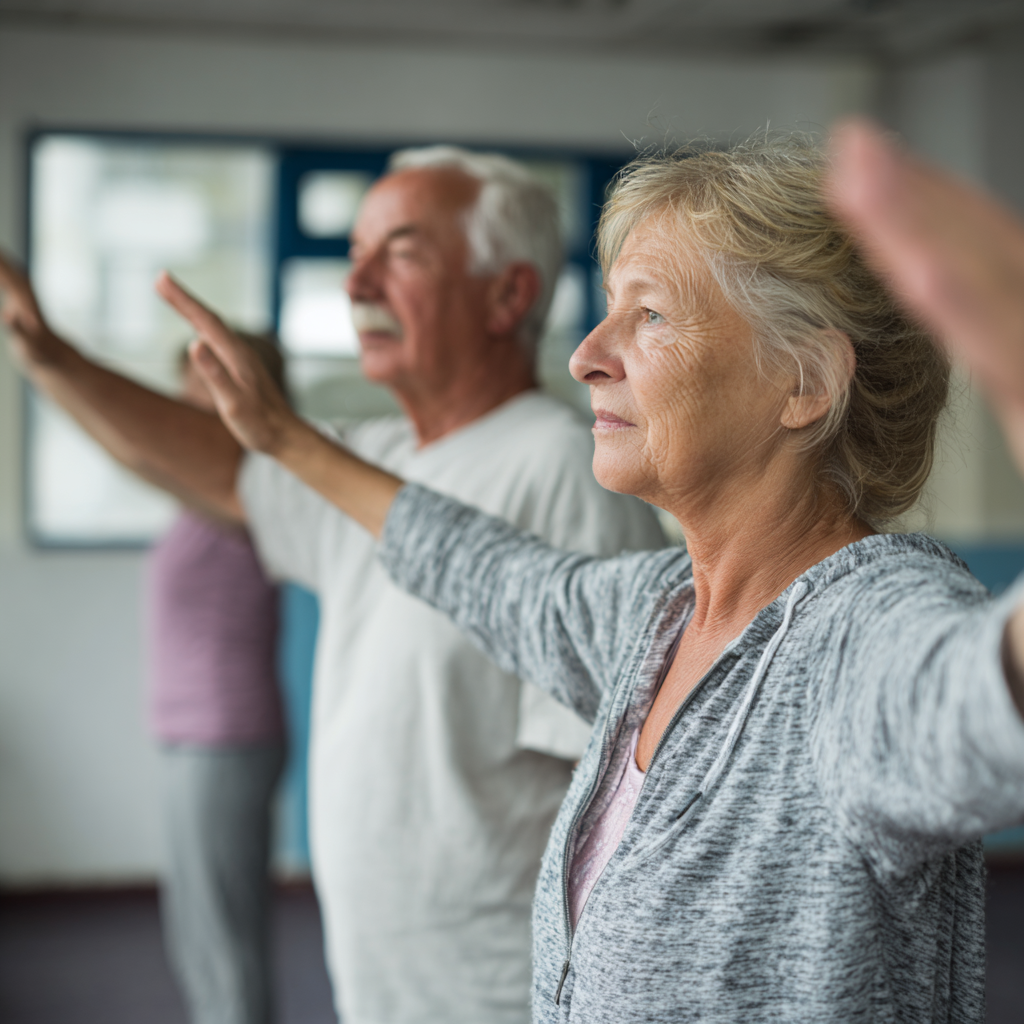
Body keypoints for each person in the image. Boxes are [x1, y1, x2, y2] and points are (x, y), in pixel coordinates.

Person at [156, 121, 1024, 1024]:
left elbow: (984, 693)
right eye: (610, 308)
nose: (585, 358)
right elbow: (483, 568)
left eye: (650, 315)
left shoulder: (857, 635)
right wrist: (285, 439)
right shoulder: (661, 615)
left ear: (803, 381)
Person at [0, 147, 666, 1024]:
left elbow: (621, 789)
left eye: (402, 252)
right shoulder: (379, 456)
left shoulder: (558, 465)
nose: (357, 283)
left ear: (509, 296)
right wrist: (49, 358)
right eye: (355, 254)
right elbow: (218, 466)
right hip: (383, 984)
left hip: (492, 991)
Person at [151, 337, 287, 1024]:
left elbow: (143, 452)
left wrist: (52, 363)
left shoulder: (246, 480)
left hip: (225, 734)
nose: (182, 402)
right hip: (191, 734)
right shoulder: (208, 486)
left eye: (199, 385)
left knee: (225, 942)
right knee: (198, 936)